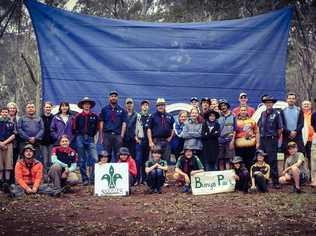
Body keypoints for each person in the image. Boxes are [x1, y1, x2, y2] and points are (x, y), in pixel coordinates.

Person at [258, 95, 283, 188]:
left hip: (272, 139)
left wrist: (275, 138)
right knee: (264, 159)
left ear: (272, 103)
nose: (268, 104)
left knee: (272, 160)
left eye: (270, 102)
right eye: (267, 102)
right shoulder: (262, 113)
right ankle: (265, 179)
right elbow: (260, 126)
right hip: (263, 139)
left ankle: (275, 181)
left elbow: (280, 128)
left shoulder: (277, 113)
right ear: (264, 104)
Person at [72, 97, 98, 185]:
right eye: (85, 104)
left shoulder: (95, 116)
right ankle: (85, 179)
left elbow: (97, 129)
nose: (86, 105)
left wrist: (92, 136)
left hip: (90, 138)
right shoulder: (77, 116)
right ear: (82, 106)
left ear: (90, 105)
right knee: (82, 160)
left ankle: (92, 178)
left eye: (88, 104)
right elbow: (74, 128)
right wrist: (80, 136)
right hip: (80, 138)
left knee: (95, 158)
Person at [99, 91, 127, 162]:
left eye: (115, 96)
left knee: (118, 156)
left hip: (117, 135)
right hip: (107, 135)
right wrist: (102, 136)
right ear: (109, 98)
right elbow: (101, 122)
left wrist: (122, 136)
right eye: (112, 96)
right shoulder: (104, 109)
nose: (113, 98)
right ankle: (105, 172)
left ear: (117, 98)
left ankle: (118, 172)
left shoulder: (122, 110)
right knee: (106, 156)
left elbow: (124, 123)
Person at [147, 98, 175, 163]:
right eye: (159, 105)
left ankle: (164, 173)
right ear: (156, 106)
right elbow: (149, 129)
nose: (160, 106)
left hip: (166, 142)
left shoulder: (170, 116)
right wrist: (150, 142)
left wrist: (170, 137)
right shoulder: (152, 116)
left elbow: (173, 128)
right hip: (156, 141)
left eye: (162, 105)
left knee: (166, 161)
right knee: (154, 161)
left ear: (165, 106)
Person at [234, 105, 260, 171]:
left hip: (250, 146)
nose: (243, 112)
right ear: (239, 112)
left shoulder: (252, 121)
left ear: (247, 111)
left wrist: (257, 143)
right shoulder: (235, 122)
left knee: (250, 162)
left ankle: (251, 179)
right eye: (242, 110)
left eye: (244, 110)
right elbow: (233, 133)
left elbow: (257, 132)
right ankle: (241, 179)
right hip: (239, 146)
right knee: (239, 162)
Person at [135, 100, 151, 185]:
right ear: (141, 107)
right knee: (138, 160)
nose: (145, 106)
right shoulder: (138, 116)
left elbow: (151, 129)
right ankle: (137, 179)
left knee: (145, 161)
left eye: (146, 105)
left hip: (147, 142)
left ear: (148, 107)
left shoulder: (150, 116)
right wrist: (135, 137)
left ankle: (144, 179)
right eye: (143, 105)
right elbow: (134, 127)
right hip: (139, 141)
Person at [217, 99, 236, 170]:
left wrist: (232, 141)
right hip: (220, 141)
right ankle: (222, 174)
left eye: (224, 105)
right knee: (221, 160)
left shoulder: (233, 115)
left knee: (229, 160)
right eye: (221, 106)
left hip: (229, 140)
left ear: (227, 106)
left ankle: (228, 175)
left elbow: (235, 129)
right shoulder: (218, 116)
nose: (223, 107)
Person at [0, 107, 15, 189]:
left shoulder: (11, 123)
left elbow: (13, 135)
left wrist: (4, 143)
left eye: (6, 112)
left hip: (8, 145)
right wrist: (1, 143)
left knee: (8, 164)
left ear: (8, 113)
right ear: (0, 113)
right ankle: (1, 182)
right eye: (3, 112)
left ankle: (7, 182)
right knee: (0, 165)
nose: (4, 113)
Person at [40, 101, 54, 173]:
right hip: (43, 142)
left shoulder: (54, 118)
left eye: (49, 107)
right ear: (44, 108)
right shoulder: (40, 118)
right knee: (45, 160)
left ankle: (51, 176)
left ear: (51, 108)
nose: (48, 108)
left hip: (52, 142)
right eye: (46, 107)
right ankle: (45, 176)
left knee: (51, 160)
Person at [7, 102, 20, 178]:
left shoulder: (19, 119)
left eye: (13, 108)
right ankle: (5, 180)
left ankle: (13, 179)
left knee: (14, 161)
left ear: (16, 109)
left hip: (16, 143)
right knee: (7, 163)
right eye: (10, 108)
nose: (12, 109)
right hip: (6, 143)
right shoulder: (4, 117)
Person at [301, 100, 314, 169]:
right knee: (301, 158)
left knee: (311, 158)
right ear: (302, 106)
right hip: (301, 140)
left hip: (311, 140)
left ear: (310, 106)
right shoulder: (299, 115)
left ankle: (312, 176)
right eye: (304, 104)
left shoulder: (313, 115)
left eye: (307, 104)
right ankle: (303, 175)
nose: (306, 105)